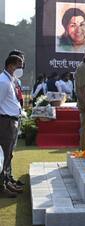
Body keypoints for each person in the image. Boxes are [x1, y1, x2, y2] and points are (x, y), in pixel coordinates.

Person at [0, 55, 24, 198]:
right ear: (10, 66)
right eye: (18, 65)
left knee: (8, 155)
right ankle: (2, 186)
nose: (20, 69)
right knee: (3, 156)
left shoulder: (10, 80)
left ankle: (7, 181)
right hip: (5, 122)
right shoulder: (3, 81)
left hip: (11, 121)